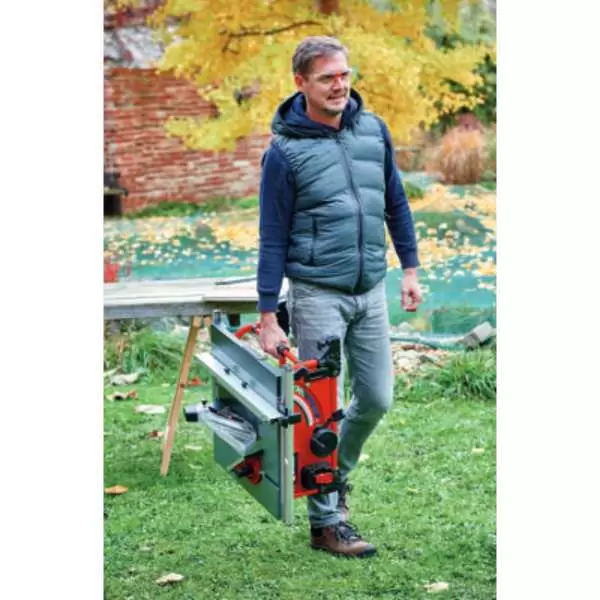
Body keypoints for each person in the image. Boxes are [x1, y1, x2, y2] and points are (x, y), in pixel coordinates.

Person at [256, 36, 423, 558]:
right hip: (316, 294)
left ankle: (334, 476)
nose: (339, 85)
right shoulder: (283, 154)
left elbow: (395, 200)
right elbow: (272, 236)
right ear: (301, 83)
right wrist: (267, 314)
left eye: (344, 74)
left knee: (375, 398)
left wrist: (410, 268)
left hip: (369, 288)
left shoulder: (373, 130)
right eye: (327, 77)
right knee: (319, 414)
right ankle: (326, 522)